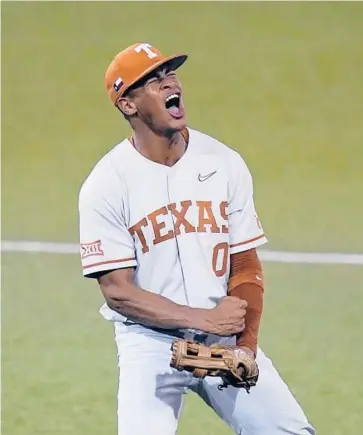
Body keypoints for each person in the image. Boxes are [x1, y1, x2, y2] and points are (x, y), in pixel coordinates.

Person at [78, 42, 315, 435]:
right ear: (128, 105)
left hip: (222, 338)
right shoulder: (106, 184)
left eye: (169, 73)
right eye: (152, 79)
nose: (170, 81)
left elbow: (245, 264)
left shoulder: (223, 163)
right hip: (149, 343)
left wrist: (245, 346)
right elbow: (118, 292)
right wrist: (200, 318)